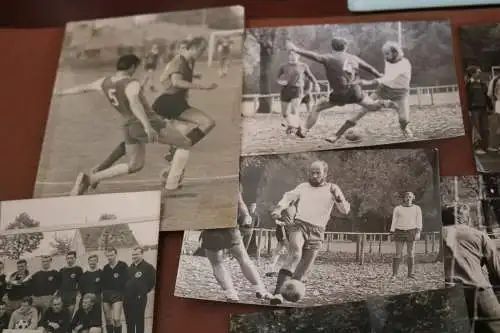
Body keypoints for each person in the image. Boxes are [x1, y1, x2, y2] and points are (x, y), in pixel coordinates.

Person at [86, 38, 218, 192]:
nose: (203, 53)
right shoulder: (179, 60)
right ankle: (100, 170)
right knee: (136, 138)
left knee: (207, 123)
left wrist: (194, 79)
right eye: (201, 50)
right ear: (192, 48)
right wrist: (202, 87)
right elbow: (176, 82)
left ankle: (175, 153)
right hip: (167, 103)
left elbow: (165, 78)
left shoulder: (189, 61)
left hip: (178, 103)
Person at [55, 54, 192, 196]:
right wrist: (147, 126)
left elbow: (83, 88)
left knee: (135, 165)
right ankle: (171, 186)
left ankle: (90, 179)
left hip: (127, 126)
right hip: (147, 122)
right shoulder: (131, 83)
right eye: (137, 68)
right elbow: (135, 103)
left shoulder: (104, 82)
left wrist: (61, 92)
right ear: (132, 67)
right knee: (185, 143)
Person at [269, 160, 350, 305]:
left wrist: (338, 197)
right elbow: (288, 197)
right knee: (295, 254)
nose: (314, 175)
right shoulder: (303, 187)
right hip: (300, 225)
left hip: (318, 231)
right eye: (312, 172)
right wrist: (278, 209)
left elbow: (345, 210)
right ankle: (277, 294)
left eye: (318, 173)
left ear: (325, 173)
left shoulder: (333, 188)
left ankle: (289, 294)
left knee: (301, 271)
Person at [286, 38, 397, 142]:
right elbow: (370, 69)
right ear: (346, 47)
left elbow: (314, 56)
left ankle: (305, 130)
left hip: (339, 94)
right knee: (372, 106)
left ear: (332, 47)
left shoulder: (328, 58)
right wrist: (380, 76)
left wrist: (296, 49)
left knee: (317, 107)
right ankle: (385, 103)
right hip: (355, 92)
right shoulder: (354, 58)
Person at [200, 186, 270, 302]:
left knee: (217, 263)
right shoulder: (231, 180)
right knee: (244, 259)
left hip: (210, 227)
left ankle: (231, 294)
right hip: (229, 225)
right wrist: (247, 215)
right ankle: (260, 289)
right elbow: (240, 203)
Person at [336, 41, 414, 142]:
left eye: (387, 54)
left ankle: (404, 127)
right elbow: (387, 76)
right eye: (384, 54)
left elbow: (389, 77)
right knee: (363, 110)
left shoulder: (404, 63)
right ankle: (340, 132)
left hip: (400, 94)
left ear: (395, 53)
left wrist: (367, 82)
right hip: (383, 90)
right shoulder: (389, 60)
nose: (385, 56)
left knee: (404, 120)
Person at [442, 205, 500, 333]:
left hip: (446, 295)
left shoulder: (438, 236)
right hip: (478, 292)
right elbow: (496, 271)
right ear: (466, 218)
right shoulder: (479, 235)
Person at [277, 50, 320, 135]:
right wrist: (280, 82)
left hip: (297, 90)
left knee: (294, 110)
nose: (293, 56)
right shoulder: (283, 66)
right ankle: (291, 125)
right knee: (284, 113)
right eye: (291, 54)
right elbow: (277, 78)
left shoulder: (303, 66)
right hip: (285, 90)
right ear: (288, 56)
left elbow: (311, 76)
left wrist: (316, 84)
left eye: (295, 55)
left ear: (298, 56)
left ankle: (299, 128)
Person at [389, 191, 422, 279]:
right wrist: (392, 232)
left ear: (413, 198)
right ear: (404, 198)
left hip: (411, 232)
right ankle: (394, 274)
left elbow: (419, 221)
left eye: (410, 197)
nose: (408, 198)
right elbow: (394, 221)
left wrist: (418, 232)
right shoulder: (398, 208)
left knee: (410, 253)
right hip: (399, 231)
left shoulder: (417, 208)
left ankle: (410, 274)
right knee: (398, 253)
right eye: (406, 197)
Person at [124, 247, 156, 333]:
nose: (134, 256)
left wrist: (143, 292)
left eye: (136, 254)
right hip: (128, 299)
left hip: (139, 298)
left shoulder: (148, 267)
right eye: (133, 255)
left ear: (142, 254)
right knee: (129, 322)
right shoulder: (130, 267)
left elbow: (153, 281)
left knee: (139, 321)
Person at [466, 65, 493, 155]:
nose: (480, 73)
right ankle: (477, 147)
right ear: (472, 73)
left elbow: (487, 96)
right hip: (474, 110)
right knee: (476, 129)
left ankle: (486, 146)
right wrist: (468, 109)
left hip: (483, 109)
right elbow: (466, 98)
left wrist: (491, 107)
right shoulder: (468, 84)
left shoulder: (482, 83)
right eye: (478, 71)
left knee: (485, 128)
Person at [265, 203, 296, 277]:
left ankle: (291, 270)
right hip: (285, 230)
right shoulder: (293, 207)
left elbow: (273, 214)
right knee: (278, 251)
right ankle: (270, 269)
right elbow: (274, 214)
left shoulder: (287, 207)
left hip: (285, 230)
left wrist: (277, 219)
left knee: (284, 251)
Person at [101, 248, 128, 333]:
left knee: (116, 319)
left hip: (117, 294)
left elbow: (127, 281)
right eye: (108, 255)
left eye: (111, 255)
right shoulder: (105, 268)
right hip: (106, 295)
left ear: (116, 254)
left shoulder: (123, 265)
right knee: (108, 319)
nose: (109, 257)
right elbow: (103, 283)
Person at [59, 251, 83, 316]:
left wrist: (78, 293)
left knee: (69, 315)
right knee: (61, 315)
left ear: (75, 258)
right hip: (62, 295)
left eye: (71, 258)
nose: (69, 260)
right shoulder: (62, 270)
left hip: (71, 295)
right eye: (68, 258)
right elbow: (59, 283)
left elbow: (81, 283)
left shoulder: (78, 269)